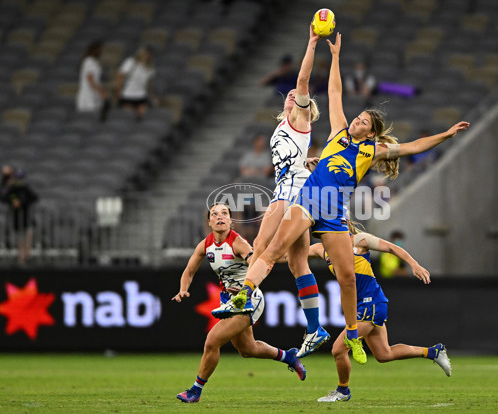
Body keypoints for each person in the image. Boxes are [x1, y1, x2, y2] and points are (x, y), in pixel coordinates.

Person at [221, 32, 470, 366]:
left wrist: (446, 135)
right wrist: (335, 57)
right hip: (309, 201)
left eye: (363, 121)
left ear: (370, 131)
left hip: (334, 212)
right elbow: (335, 91)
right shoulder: (338, 131)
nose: (356, 120)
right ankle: (244, 296)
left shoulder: (372, 150)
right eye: (358, 117)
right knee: (273, 250)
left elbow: (412, 146)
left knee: (347, 277)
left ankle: (352, 335)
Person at [213, 25, 330, 359]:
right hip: (297, 190)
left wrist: (310, 43)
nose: (293, 94)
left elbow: (304, 81)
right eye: (290, 94)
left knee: (261, 246)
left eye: (299, 96)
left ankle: (241, 298)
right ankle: (315, 328)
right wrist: (307, 163)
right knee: (297, 265)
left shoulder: (300, 118)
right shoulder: (285, 127)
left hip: (291, 194)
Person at [172, 203, 307, 404]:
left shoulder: (238, 243)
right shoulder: (205, 245)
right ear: (209, 222)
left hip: (248, 299)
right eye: (215, 214)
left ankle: (195, 390)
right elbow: (189, 271)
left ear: (231, 221)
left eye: (224, 214)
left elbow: (255, 262)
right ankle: (289, 357)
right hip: (229, 301)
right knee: (248, 350)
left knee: (212, 341)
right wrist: (183, 289)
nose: (220, 217)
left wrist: (246, 286)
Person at [310, 221, 452, 402]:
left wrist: (414, 264)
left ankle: (342, 391)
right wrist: (267, 254)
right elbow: (291, 254)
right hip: (361, 305)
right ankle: (433, 352)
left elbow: (392, 248)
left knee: (338, 350)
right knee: (384, 354)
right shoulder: (321, 249)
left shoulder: (359, 240)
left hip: (371, 303)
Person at [2, 167, 39, 266]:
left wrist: (23, 202)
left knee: (28, 238)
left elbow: (35, 197)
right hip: (16, 219)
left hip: (27, 219)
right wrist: (14, 199)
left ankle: (25, 257)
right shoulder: (12, 190)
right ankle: (20, 259)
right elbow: (4, 197)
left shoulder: (26, 188)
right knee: (19, 239)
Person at [114, 45, 157, 119]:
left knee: (141, 118)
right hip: (127, 95)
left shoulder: (150, 67)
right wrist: (118, 91)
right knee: (127, 118)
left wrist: (151, 95)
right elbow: (120, 77)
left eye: (150, 55)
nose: (149, 56)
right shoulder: (130, 62)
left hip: (141, 95)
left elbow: (148, 83)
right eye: (147, 54)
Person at [76, 41, 108, 115]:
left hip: (93, 95)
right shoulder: (89, 61)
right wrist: (101, 92)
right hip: (88, 96)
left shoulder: (93, 62)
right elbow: (90, 79)